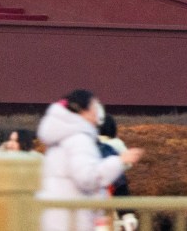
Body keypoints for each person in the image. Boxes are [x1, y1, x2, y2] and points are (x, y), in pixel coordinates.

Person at [38, 90, 144, 231]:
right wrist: (119, 161)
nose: (97, 112)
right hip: (74, 219)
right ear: (84, 111)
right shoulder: (80, 140)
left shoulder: (60, 139)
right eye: (94, 106)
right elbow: (87, 178)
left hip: (58, 217)